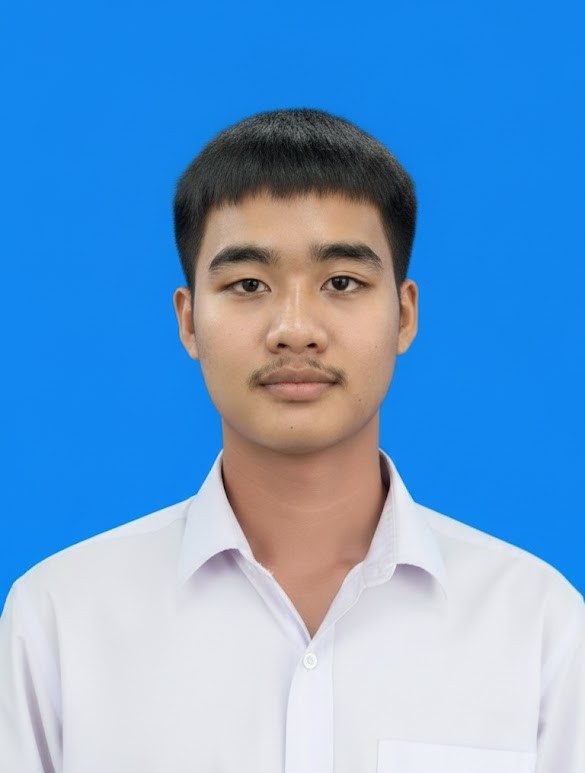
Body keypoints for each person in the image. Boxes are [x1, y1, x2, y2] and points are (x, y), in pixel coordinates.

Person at [0, 108, 583, 773]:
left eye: (342, 282)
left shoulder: (538, 626)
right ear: (189, 321)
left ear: (403, 314)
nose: (295, 329)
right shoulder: (60, 620)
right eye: (248, 284)